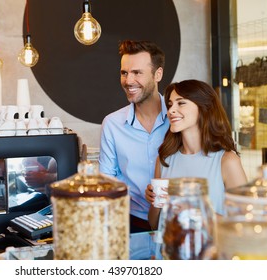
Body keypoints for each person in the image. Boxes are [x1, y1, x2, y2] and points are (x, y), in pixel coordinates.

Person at [145, 79, 248, 230]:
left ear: (203, 108)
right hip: (170, 251)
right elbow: (155, 224)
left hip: (211, 252)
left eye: (180, 103)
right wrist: (156, 202)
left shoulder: (227, 161)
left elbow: (244, 224)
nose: (171, 110)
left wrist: (193, 210)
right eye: (170, 104)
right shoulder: (164, 159)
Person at [99, 40, 169, 259]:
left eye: (137, 72)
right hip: (131, 227)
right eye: (124, 73)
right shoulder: (112, 123)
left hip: (178, 222)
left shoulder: (180, 118)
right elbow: (107, 185)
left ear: (157, 74)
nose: (128, 81)